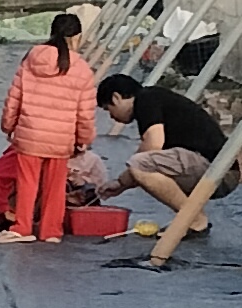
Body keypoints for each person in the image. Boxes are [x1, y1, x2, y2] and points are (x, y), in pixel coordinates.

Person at [0, 10, 97, 246]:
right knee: (54, 186)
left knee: (27, 182)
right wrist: (83, 139)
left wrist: (8, 126)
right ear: (77, 37)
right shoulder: (82, 69)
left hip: (30, 134)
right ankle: (51, 231)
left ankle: (22, 227)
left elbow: (14, 98)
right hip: (62, 139)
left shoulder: (31, 59)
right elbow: (85, 113)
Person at [96, 70, 224, 235]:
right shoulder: (155, 98)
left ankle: (194, 219)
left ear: (116, 98)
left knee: (140, 163)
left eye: (108, 109)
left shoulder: (146, 99)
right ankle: (189, 217)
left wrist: (122, 181)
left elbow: (154, 143)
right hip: (212, 168)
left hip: (214, 170)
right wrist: (123, 185)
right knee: (143, 165)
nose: (111, 116)